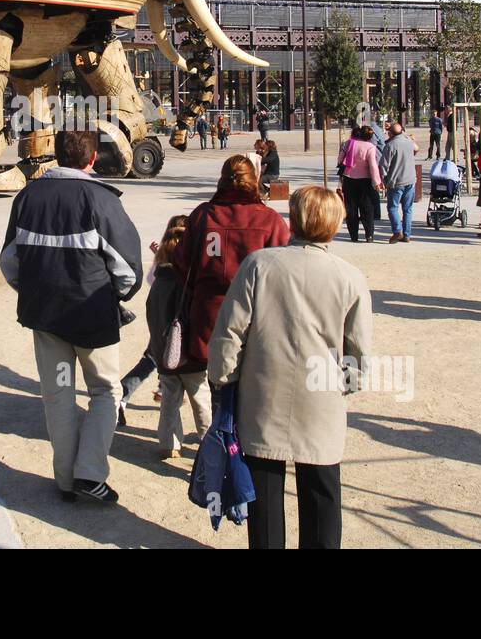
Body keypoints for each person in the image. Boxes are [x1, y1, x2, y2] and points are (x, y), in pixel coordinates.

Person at [208, 185, 374, 550]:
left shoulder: (259, 265)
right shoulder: (350, 278)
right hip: (321, 396)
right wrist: (345, 384)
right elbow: (358, 351)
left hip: (264, 394)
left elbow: (229, 333)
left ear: (294, 219)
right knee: (322, 494)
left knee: (264, 497)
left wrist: (223, 380)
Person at [0, 129, 142, 504]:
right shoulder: (99, 199)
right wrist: (116, 297)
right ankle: (90, 473)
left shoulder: (28, 197)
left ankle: (65, 480)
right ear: (92, 159)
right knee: (105, 391)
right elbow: (127, 269)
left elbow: (9, 261)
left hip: (46, 319)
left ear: (56, 155)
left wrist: (32, 291)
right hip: (91, 317)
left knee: (58, 395)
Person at [172, 156, 290, 449]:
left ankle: (223, 445)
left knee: (219, 391)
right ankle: (248, 445)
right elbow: (284, 270)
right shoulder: (269, 220)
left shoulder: (203, 215)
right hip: (257, 320)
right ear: (253, 180)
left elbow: (182, 264)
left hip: (209, 315)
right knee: (256, 390)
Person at [117, 215, 187, 429]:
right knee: (159, 358)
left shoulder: (165, 256)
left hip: (158, 316)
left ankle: (141, 391)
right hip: (171, 318)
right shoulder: (177, 261)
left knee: (158, 357)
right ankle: (123, 393)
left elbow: (150, 281)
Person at [338, 125, 383, 242]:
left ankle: (353, 236)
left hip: (349, 179)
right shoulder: (370, 147)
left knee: (351, 208)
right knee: (367, 207)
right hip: (365, 180)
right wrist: (377, 181)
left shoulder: (348, 144)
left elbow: (339, 160)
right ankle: (369, 235)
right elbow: (373, 166)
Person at [381, 122, 417, 243]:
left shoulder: (390, 145)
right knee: (408, 208)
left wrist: (383, 180)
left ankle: (397, 231)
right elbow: (416, 149)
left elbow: (383, 165)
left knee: (392, 207)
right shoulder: (408, 142)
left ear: (390, 133)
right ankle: (407, 234)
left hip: (396, 181)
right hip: (410, 179)